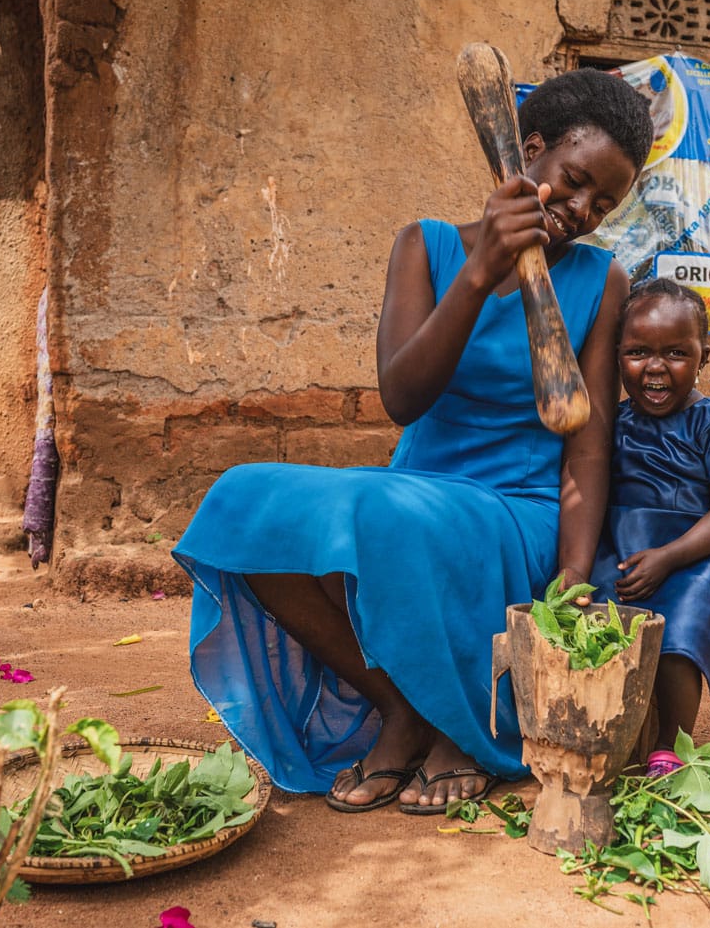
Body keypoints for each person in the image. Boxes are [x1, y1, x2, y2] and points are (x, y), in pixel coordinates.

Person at [172, 69, 654, 813]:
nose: (584, 211)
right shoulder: (424, 247)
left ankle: (464, 728)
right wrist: (484, 269)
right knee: (240, 501)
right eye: (575, 181)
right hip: (415, 488)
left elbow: (586, 442)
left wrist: (574, 570)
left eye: (606, 203)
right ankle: (404, 707)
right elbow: (403, 396)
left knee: (394, 517)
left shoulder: (602, 278)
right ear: (528, 153)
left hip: (517, 508)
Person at [588, 278, 710, 777]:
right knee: (594, 619)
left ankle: (670, 744)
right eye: (638, 352)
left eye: (676, 353)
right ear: (616, 356)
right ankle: (602, 726)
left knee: (677, 639)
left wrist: (670, 557)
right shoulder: (611, 423)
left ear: (704, 356)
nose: (656, 367)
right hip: (623, 549)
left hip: (694, 557)